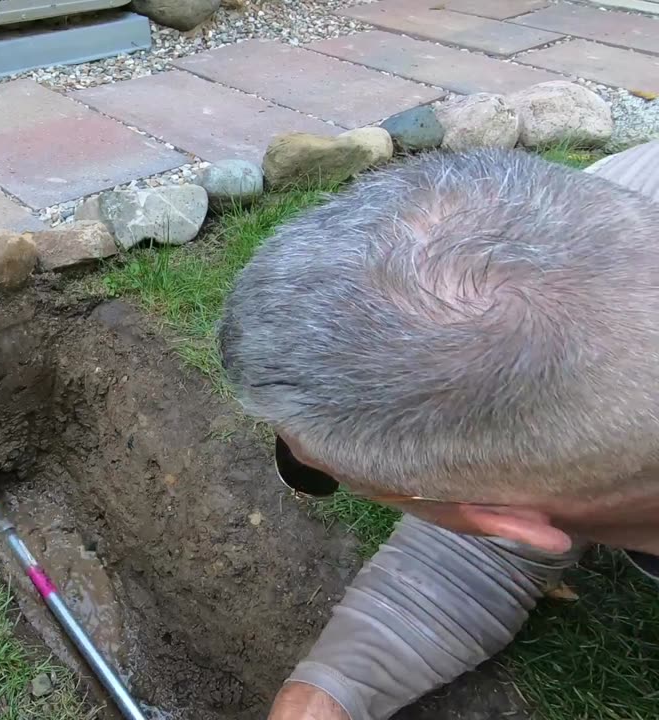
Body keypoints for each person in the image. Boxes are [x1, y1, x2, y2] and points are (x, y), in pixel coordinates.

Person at [217, 142, 659, 720]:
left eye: (319, 474)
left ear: (506, 520)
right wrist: (329, 693)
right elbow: (477, 553)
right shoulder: (623, 201)